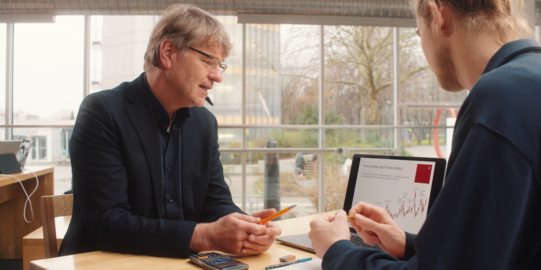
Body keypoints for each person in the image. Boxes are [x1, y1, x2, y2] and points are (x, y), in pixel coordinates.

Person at [309, 0, 541, 269]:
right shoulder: (529, 83)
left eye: (419, 33)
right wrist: (409, 245)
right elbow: (497, 248)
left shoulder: (500, 100)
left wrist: (338, 251)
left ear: (437, 14)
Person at [59, 4, 281, 258]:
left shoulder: (205, 124)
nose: (218, 76)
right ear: (168, 53)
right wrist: (206, 236)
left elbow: (215, 202)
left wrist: (244, 228)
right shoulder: (101, 112)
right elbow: (108, 224)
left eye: (220, 65)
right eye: (208, 60)